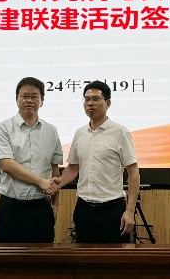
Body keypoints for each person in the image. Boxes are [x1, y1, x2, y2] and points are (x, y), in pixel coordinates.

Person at [53, 80, 140, 243]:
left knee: (112, 257)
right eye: (87, 99)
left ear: (108, 103)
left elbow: (133, 172)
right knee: (84, 257)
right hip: (83, 209)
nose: (90, 103)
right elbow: (73, 168)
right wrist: (58, 183)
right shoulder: (80, 133)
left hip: (112, 210)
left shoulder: (120, 132)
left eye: (95, 99)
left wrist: (129, 211)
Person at [0, 77, 63, 243]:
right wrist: (40, 181)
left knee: (43, 257)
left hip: (42, 208)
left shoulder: (51, 131)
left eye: (34, 97)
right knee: (9, 257)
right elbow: (6, 164)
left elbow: (54, 170)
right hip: (11, 208)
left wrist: (56, 204)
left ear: (42, 101)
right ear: (17, 99)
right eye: (25, 96)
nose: (29, 100)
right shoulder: (3, 128)